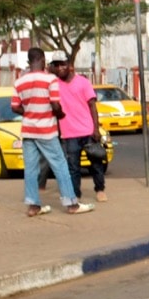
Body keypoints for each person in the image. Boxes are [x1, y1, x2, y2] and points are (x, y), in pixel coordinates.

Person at [10, 48, 93, 216]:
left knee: (31, 169)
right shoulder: (50, 80)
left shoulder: (19, 82)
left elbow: (15, 107)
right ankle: (71, 203)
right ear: (42, 60)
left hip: (28, 130)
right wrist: (59, 113)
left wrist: (29, 112)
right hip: (46, 130)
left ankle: (33, 206)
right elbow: (55, 105)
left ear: (29, 61)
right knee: (60, 165)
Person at [49, 55, 107, 202]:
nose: (60, 67)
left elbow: (92, 106)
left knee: (96, 163)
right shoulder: (54, 85)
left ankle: (100, 189)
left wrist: (96, 129)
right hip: (69, 134)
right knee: (73, 167)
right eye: (56, 65)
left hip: (88, 131)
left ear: (70, 65)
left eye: (62, 64)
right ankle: (76, 194)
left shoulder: (83, 82)